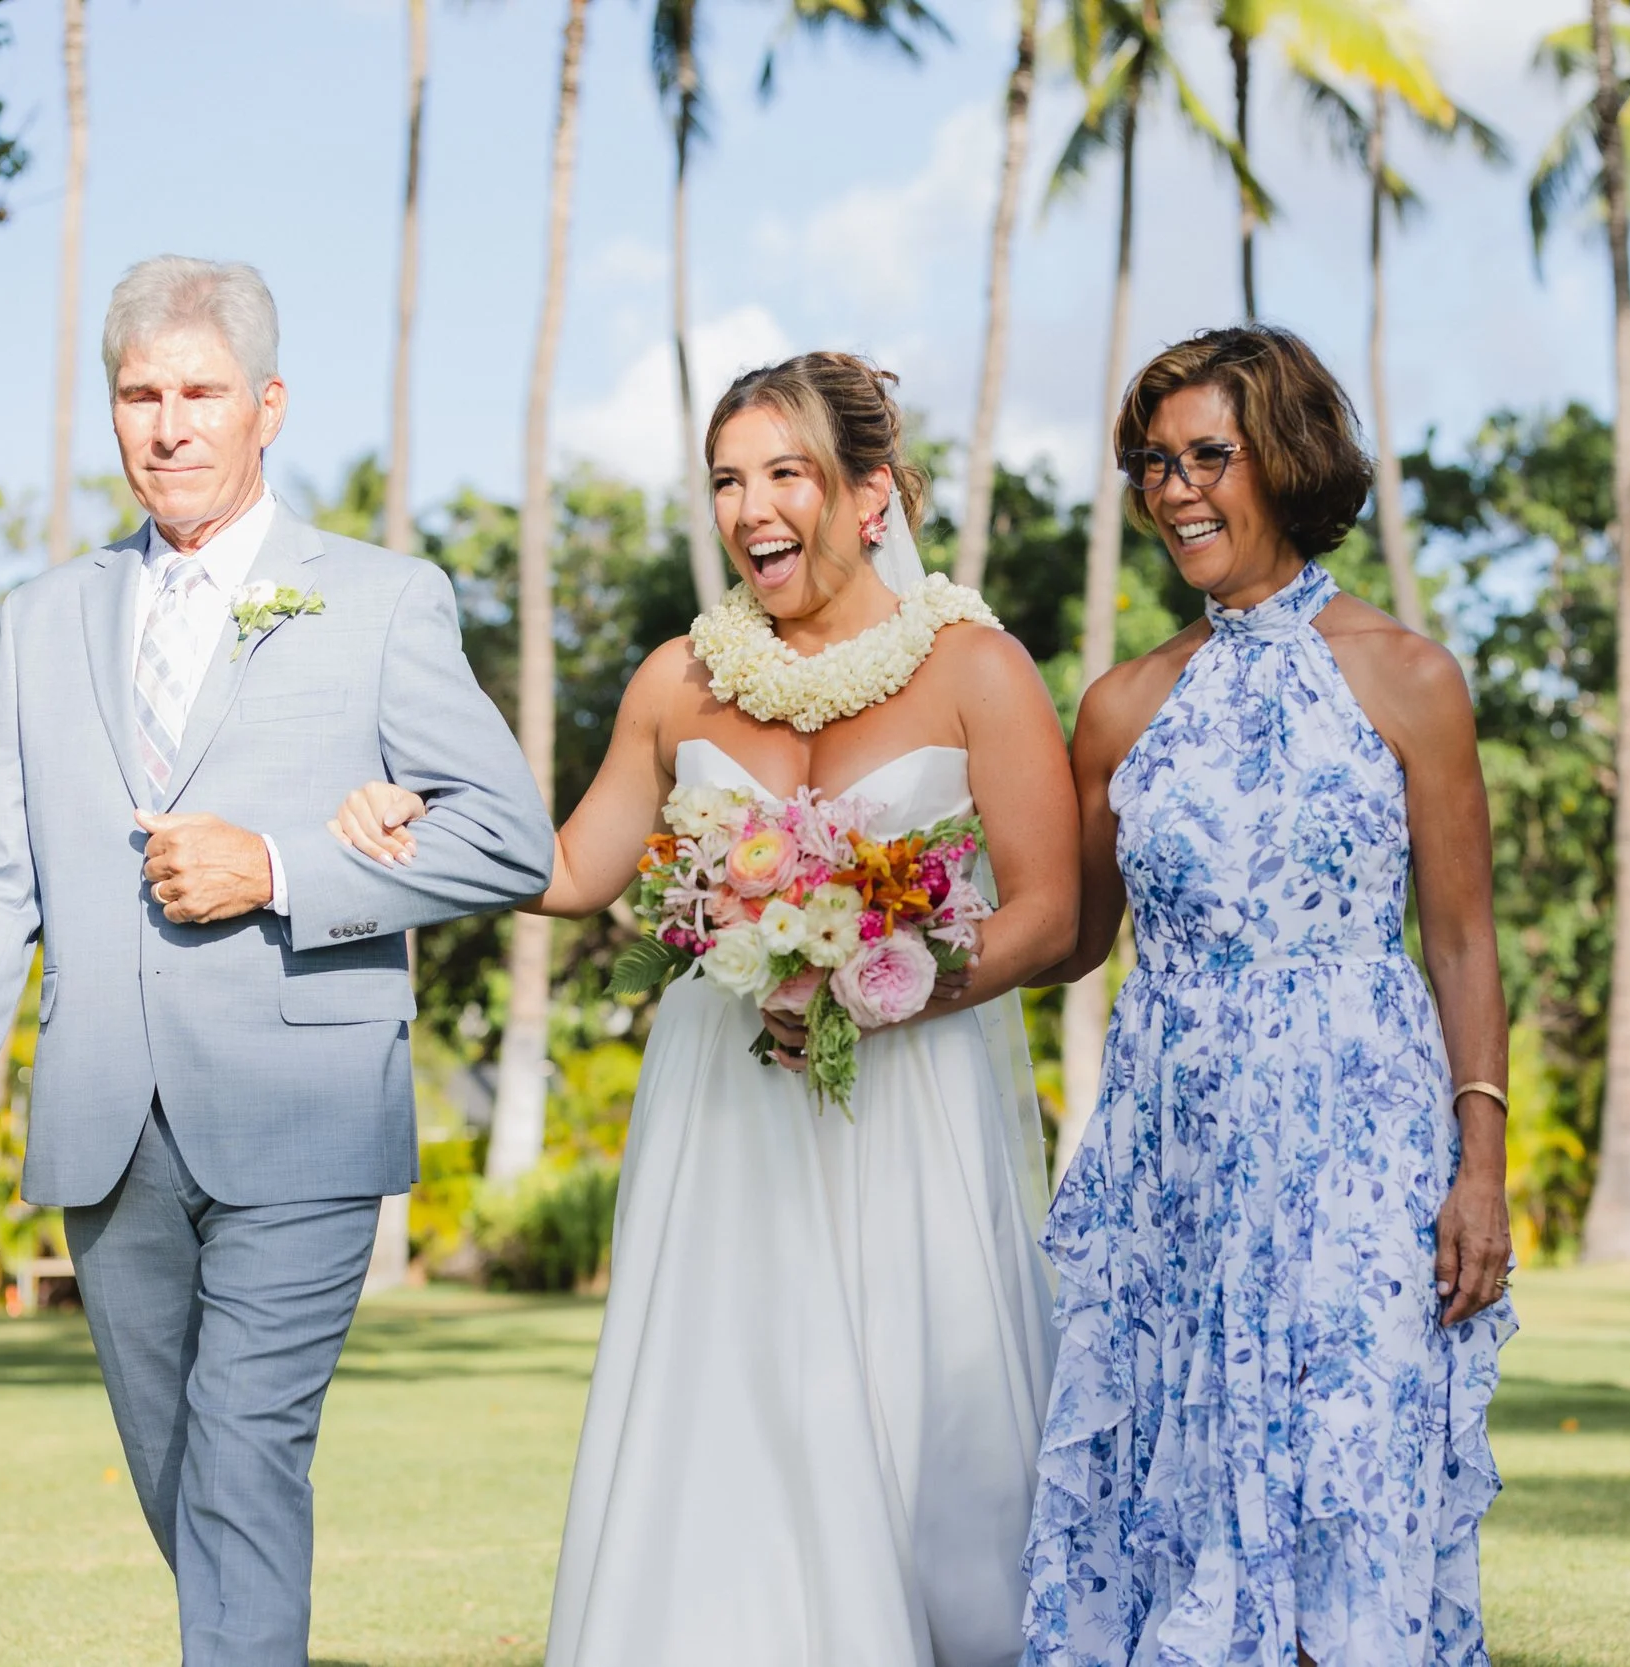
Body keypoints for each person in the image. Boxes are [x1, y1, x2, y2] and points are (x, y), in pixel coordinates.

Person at [333, 352, 1076, 1665]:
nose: (750, 508)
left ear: (868, 493)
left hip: (907, 1110)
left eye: (784, 472)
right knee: (729, 1418)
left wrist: (899, 987)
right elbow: (568, 872)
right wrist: (411, 823)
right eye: (728, 480)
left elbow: (1049, 909)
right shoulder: (679, 680)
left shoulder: (977, 665)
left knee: (923, 1436)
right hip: (725, 1105)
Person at [0, 256, 555, 1665]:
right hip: (105, 1125)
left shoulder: (379, 600)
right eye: (140, 394)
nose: (169, 424)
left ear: (268, 406)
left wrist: (285, 867)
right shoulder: (42, 616)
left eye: (199, 392)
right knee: (180, 1470)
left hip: (302, 1113)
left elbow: (509, 839)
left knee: (243, 1452)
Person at [1022, 325, 1517, 1667]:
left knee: (1349, 1502)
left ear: (1284, 461)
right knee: (1178, 1521)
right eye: (1150, 464)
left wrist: (1484, 1168)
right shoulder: (1120, 708)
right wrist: (883, 944)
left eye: (1205, 457)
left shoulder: (1411, 679)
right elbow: (1068, 933)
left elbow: (1464, 942)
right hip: (1170, 1168)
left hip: (1360, 1160)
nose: (1174, 489)